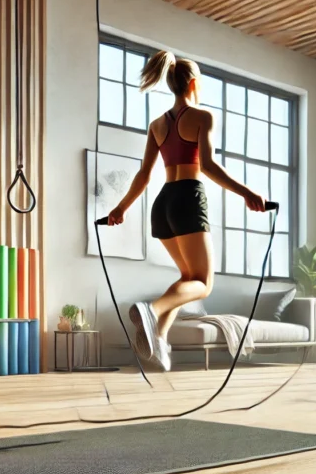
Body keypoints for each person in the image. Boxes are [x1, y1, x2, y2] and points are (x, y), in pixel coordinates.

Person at [104, 51, 267, 371]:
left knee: (187, 278)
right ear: (192, 83)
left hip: (163, 203)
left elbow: (144, 174)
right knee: (203, 283)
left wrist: (120, 208)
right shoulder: (202, 117)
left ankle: (159, 339)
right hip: (188, 199)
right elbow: (207, 165)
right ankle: (152, 311)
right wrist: (247, 193)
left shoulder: (157, 125)